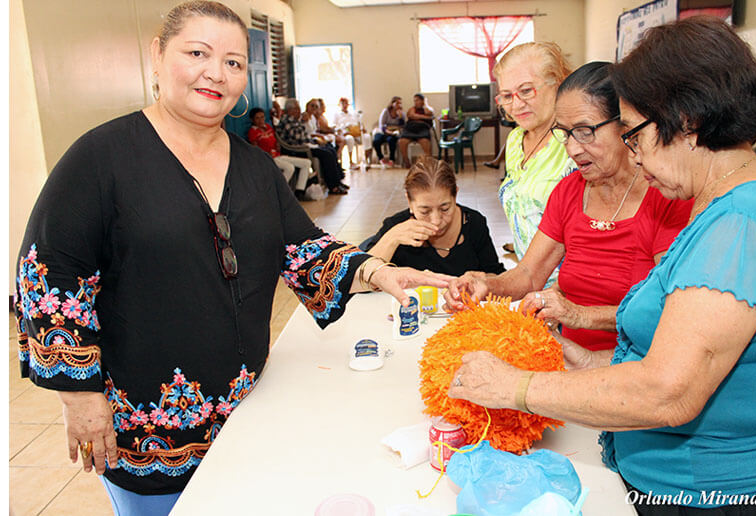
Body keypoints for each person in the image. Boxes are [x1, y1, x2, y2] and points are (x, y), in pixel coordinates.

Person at [13, 2, 451, 514]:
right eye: (196, 52)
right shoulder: (100, 159)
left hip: (247, 404)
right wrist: (79, 397)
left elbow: (303, 248)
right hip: (150, 430)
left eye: (234, 62)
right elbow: (49, 277)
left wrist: (377, 269)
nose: (215, 73)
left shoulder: (256, 168)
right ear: (157, 56)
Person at [449, 16, 756, 514]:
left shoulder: (741, 227)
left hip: (714, 493)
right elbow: (676, 356)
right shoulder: (732, 205)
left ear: (686, 121)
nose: (635, 155)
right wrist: (583, 359)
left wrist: (516, 387)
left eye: (637, 134)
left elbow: (669, 392)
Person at [445, 62, 692, 351]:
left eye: (585, 131)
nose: (573, 149)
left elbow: (669, 308)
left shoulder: (666, 197)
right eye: (565, 133)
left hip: (636, 366)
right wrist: (488, 285)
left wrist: (578, 315)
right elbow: (529, 274)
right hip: (570, 358)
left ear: (625, 123)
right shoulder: (569, 191)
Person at [494, 42, 578, 262]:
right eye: (507, 96)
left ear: (558, 84)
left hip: (568, 286)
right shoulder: (515, 139)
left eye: (525, 91)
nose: (516, 105)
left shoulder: (576, 142)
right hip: (530, 280)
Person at [363, 157, 505, 276]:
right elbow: (359, 279)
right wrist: (391, 239)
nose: (436, 221)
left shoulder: (474, 223)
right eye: (425, 211)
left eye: (445, 208)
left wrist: (483, 280)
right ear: (409, 201)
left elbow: (495, 273)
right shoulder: (395, 226)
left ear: (455, 195)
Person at [278, 98, 349, 195]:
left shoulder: (295, 119)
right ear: (290, 110)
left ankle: (337, 181)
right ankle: (333, 187)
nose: (299, 111)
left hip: (306, 144)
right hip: (298, 149)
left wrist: (314, 141)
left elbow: (304, 135)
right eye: (297, 109)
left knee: (330, 150)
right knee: (326, 154)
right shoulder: (287, 120)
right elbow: (298, 138)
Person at [247, 107, 312, 197]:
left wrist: (277, 145)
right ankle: (278, 192)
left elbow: (275, 140)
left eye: (262, 117)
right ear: (252, 119)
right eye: (257, 118)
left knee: (306, 163)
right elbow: (254, 148)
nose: (260, 120)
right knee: (289, 167)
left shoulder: (268, 127)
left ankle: (299, 191)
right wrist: (265, 154)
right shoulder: (253, 132)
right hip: (267, 158)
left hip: (277, 155)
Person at [333, 97, 372, 169]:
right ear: (339, 104)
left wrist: (362, 128)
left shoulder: (353, 113)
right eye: (343, 103)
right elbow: (335, 127)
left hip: (356, 133)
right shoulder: (337, 114)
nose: (345, 105)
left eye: (346, 103)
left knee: (367, 137)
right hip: (346, 134)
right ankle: (351, 162)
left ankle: (366, 160)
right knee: (349, 138)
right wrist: (342, 130)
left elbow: (359, 123)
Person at [398, 93, 434, 168]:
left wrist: (426, 104)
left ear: (422, 101)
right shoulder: (412, 109)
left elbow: (430, 113)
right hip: (410, 128)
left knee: (425, 142)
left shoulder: (426, 108)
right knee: (402, 141)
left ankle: (428, 164)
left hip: (423, 128)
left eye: (417, 100)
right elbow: (411, 115)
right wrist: (425, 117)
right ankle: (406, 161)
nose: (415, 102)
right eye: (414, 101)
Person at [373, 96, 404, 166]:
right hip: (383, 132)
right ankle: (380, 158)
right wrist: (388, 131)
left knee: (391, 140)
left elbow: (402, 126)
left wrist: (400, 117)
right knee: (376, 141)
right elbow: (382, 125)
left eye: (400, 103)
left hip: (394, 133)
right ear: (392, 103)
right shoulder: (385, 111)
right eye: (397, 103)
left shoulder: (401, 113)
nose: (399, 105)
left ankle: (392, 159)